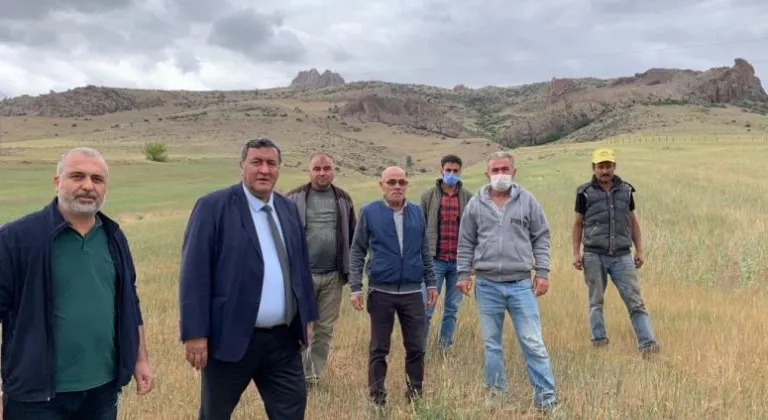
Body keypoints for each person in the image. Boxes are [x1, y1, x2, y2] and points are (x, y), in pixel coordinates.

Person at [0, 147, 154, 419]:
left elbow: (130, 302)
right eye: (77, 176)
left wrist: (141, 360)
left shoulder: (113, 237)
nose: (88, 186)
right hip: (35, 395)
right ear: (57, 182)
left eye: (97, 179)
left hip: (102, 390)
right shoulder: (16, 238)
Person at [178, 137, 319, 420]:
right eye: (256, 162)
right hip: (229, 338)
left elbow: (301, 268)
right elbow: (194, 273)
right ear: (242, 166)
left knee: (292, 412)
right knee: (215, 414)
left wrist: (307, 318)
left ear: (279, 168)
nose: (264, 170)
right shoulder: (213, 207)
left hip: (283, 341)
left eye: (271, 163)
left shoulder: (287, 208)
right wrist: (194, 332)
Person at [456, 151, 557, 412]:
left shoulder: (527, 201)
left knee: (533, 343)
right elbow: (465, 241)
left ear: (514, 172)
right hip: (487, 284)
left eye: (505, 169)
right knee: (492, 344)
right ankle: (497, 397)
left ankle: (546, 400)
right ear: (487, 174)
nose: (500, 174)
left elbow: (541, 236)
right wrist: (463, 274)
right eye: (495, 170)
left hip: (521, 284)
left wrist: (542, 272)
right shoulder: (476, 204)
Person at [349, 166, 437, 411]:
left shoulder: (417, 212)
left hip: (412, 292)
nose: (397, 186)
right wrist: (355, 287)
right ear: (382, 185)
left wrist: (431, 282)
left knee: (416, 347)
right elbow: (357, 251)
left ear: (406, 184)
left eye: (401, 182)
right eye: (391, 182)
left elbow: (424, 250)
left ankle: (415, 397)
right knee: (379, 348)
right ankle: (377, 399)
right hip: (381, 292)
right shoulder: (369, 212)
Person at [571, 148, 660, 355]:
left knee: (635, 301)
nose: (605, 171)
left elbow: (632, 221)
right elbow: (577, 224)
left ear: (614, 167)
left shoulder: (626, 191)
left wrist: (639, 250)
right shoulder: (584, 193)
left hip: (622, 255)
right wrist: (576, 253)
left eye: (608, 166)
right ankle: (599, 341)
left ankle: (648, 344)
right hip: (594, 255)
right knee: (596, 301)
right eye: (600, 166)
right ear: (593, 168)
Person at [285, 152, 357, 386]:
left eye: (327, 168)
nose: (322, 173)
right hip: (301, 277)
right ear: (309, 171)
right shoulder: (293, 198)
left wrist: (352, 273)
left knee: (323, 329)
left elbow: (353, 238)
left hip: (333, 277)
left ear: (333, 171)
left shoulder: (344, 199)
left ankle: (312, 377)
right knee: (298, 328)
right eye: (317, 168)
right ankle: (293, 376)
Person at [419, 154, 473, 352]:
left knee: (452, 308)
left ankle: (445, 348)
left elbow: (474, 231)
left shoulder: (468, 198)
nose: (451, 174)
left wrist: (471, 262)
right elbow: (420, 229)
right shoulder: (428, 196)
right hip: (435, 261)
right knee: (426, 307)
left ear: (460, 172)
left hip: (459, 263)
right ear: (441, 171)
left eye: (455, 171)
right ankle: (419, 349)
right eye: (448, 170)